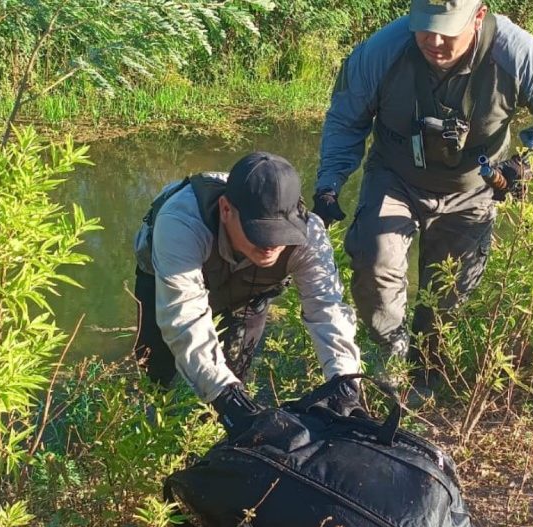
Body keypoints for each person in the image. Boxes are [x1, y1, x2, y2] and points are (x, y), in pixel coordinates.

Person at [310, 0, 533, 392]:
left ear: (478, 16)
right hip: (395, 176)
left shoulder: (517, 51)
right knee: (374, 263)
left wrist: (526, 164)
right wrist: (329, 183)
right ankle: (393, 354)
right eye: (423, 27)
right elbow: (345, 119)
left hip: (473, 188)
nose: (433, 40)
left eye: (447, 30)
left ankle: (429, 371)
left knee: (448, 297)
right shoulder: (382, 51)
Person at [133, 152, 365, 436]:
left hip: (251, 288)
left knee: (235, 370)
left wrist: (344, 380)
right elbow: (184, 320)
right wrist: (222, 392)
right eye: (261, 231)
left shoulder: (310, 235)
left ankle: (213, 437)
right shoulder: (181, 223)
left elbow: (327, 309)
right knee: (156, 365)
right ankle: (151, 429)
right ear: (226, 209)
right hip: (167, 272)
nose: (272, 244)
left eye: (283, 232)